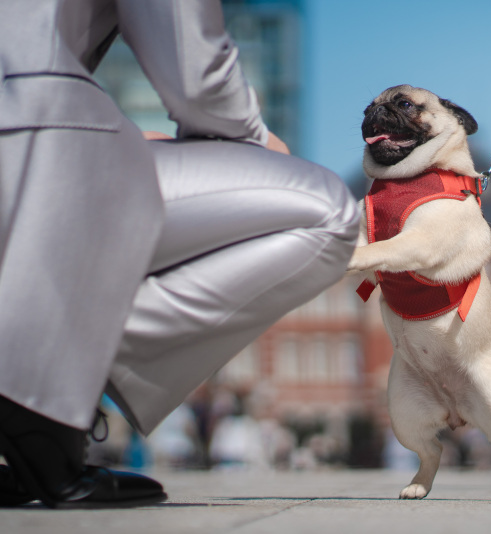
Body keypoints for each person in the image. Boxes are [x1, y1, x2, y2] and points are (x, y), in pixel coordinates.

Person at [0, 0, 358, 508]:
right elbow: (194, 67)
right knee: (327, 211)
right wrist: (255, 141)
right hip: (23, 145)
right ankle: (37, 378)